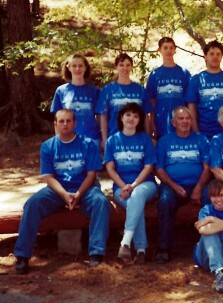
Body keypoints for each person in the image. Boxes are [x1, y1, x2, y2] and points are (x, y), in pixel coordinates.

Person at [14, 109, 110, 274]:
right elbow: (49, 178)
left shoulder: (87, 144)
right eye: (61, 121)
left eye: (68, 121)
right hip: (58, 190)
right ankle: (22, 256)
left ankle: (96, 253)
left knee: (101, 202)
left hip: (85, 188)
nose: (65, 124)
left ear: (75, 123)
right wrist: (65, 196)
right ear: (55, 124)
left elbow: (91, 174)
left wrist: (78, 194)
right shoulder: (48, 146)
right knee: (32, 203)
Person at [154, 106, 210, 264]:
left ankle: (209, 246)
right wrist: (173, 186)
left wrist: (199, 188)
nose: (185, 121)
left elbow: (207, 168)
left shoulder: (201, 140)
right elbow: (159, 169)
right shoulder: (165, 141)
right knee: (165, 201)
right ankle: (164, 248)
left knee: (211, 198)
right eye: (181, 118)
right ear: (173, 122)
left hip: (198, 184)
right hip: (172, 186)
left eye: (188, 118)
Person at [104, 103, 158, 265]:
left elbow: (149, 167)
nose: (131, 118)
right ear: (121, 117)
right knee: (136, 205)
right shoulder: (112, 141)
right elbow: (110, 168)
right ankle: (141, 251)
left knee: (137, 196)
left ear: (139, 120)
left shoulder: (145, 139)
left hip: (145, 185)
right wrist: (123, 186)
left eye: (135, 116)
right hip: (120, 188)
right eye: (128, 115)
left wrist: (132, 186)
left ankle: (125, 242)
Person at [186, 40, 223, 138]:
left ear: (221, 57)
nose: (215, 57)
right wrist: (196, 131)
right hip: (204, 132)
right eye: (211, 54)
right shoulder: (196, 80)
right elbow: (191, 106)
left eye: (218, 54)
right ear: (205, 56)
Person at [97, 53, 153, 149]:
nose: (125, 68)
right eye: (121, 65)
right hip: (115, 136)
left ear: (132, 67)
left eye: (128, 65)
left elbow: (145, 116)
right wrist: (105, 139)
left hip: (137, 137)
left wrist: (147, 138)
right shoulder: (108, 90)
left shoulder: (139, 89)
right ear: (116, 67)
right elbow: (103, 116)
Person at [50, 54, 101, 146]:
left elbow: (101, 118)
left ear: (85, 67)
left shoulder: (95, 91)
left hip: (92, 139)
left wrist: (103, 139)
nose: (77, 69)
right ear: (68, 67)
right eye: (74, 66)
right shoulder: (61, 91)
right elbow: (57, 119)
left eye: (80, 66)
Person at [145, 37, 191, 138]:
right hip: (161, 121)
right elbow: (152, 101)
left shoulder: (184, 73)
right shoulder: (155, 74)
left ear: (175, 50)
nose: (168, 51)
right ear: (160, 50)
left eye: (171, 48)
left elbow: (190, 101)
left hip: (181, 122)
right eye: (165, 48)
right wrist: (151, 122)